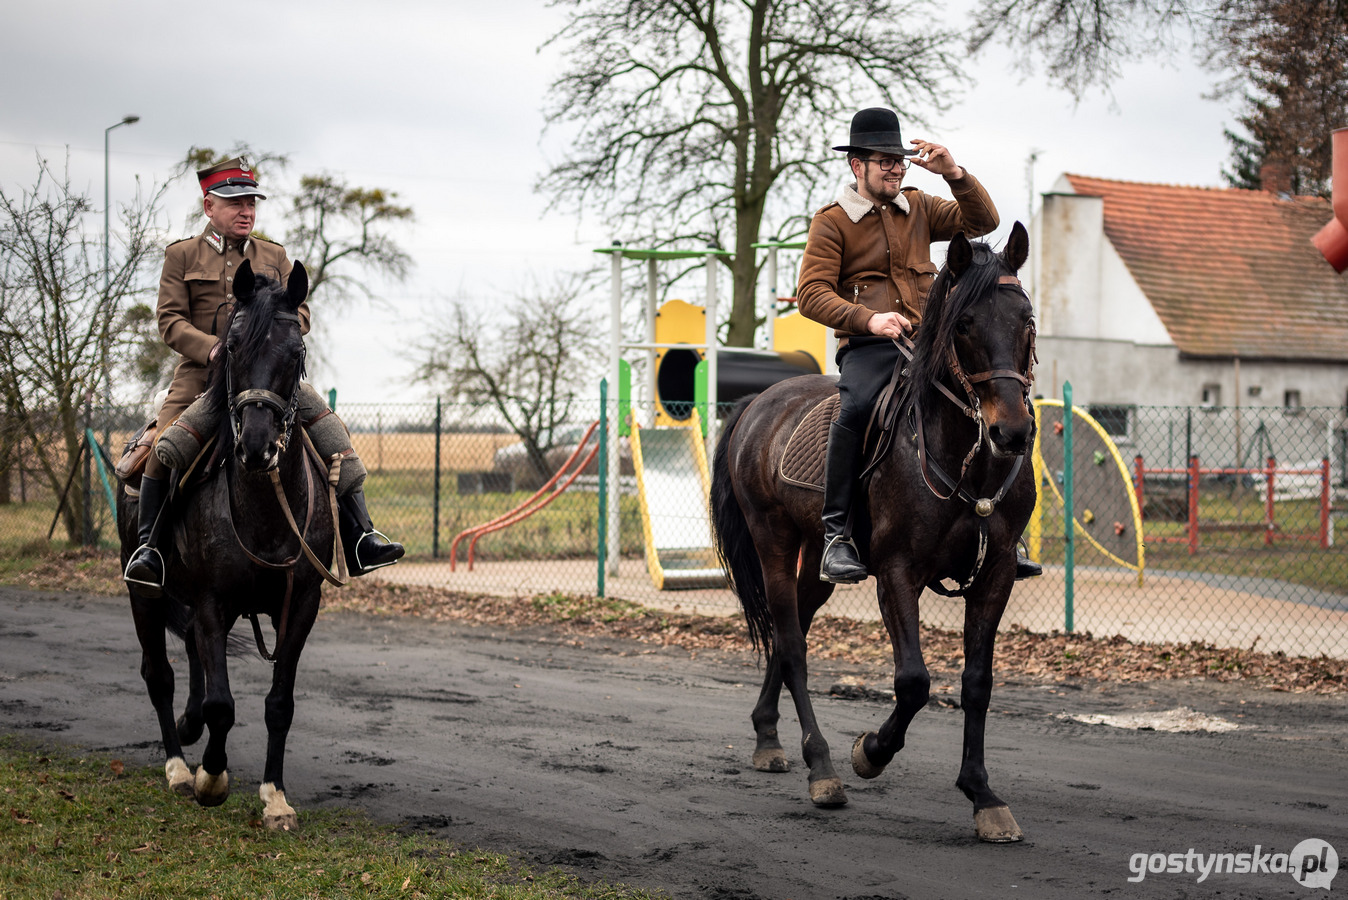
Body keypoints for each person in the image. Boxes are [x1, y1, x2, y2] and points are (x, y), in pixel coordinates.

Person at [123, 157, 404, 597]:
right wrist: (213, 347)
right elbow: (170, 321)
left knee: (334, 438)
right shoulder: (181, 256)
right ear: (208, 206)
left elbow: (301, 308)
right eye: (235, 202)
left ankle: (362, 538)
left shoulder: (273, 255)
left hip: (268, 377)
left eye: (251, 201)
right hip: (203, 377)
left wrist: (282, 329)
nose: (246, 210)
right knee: (164, 446)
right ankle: (150, 550)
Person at [796, 107, 1041, 584]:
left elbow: (983, 220)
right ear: (857, 166)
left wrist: (954, 174)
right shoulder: (831, 224)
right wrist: (868, 319)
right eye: (883, 159)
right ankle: (836, 536)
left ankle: (1008, 531)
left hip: (931, 345)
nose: (894, 167)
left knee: (1001, 403)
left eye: (898, 159)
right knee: (857, 408)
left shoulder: (922, 207)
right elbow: (811, 295)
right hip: (870, 348)